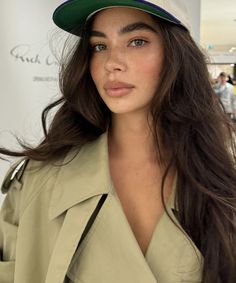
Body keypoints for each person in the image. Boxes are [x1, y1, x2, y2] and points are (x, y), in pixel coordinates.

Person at [0, 1, 236, 282]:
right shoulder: (36, 182)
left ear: (176, 54)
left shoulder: (220, 184)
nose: (111, 62)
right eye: (100, 46)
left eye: (137, 41)